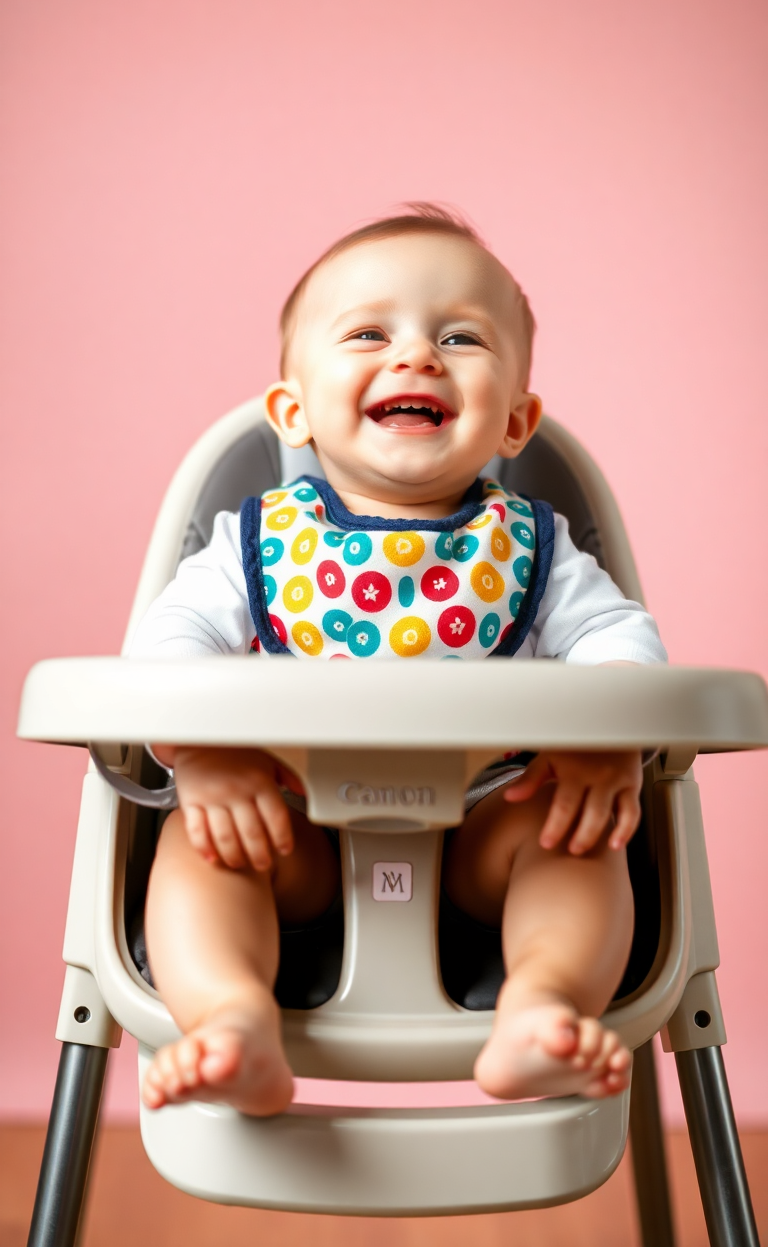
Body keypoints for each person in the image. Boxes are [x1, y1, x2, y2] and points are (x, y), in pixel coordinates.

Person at [130, 204, 666, 1116]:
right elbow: (163, 648)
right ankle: (230, 1019)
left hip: (483, 832)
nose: (416, 356)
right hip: (289, 825)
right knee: (200, 840)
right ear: (292, 412)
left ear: (516, 422)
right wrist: (208, 754)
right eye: (370, 332)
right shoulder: (252, 543)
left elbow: (623, 639)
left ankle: (541, 1006)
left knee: (575, 839)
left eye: (460, 337)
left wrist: (602, 736)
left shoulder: (536, 547)